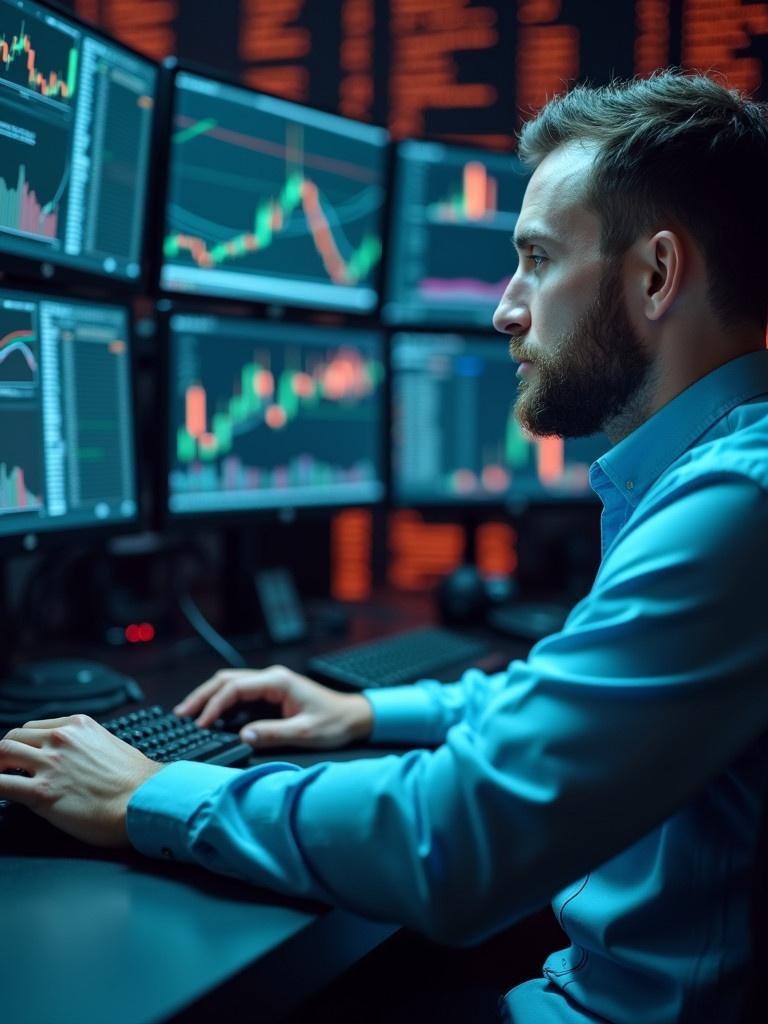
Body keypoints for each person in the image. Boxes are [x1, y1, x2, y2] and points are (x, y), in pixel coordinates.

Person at [2, 70, 768, 1024]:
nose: (504, 308)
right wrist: (367, 714)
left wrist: (155, 793)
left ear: (656, 275)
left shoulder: (735, 505)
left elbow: (461, 836)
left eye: (535, 258)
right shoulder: (712, 474)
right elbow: (577, 703)